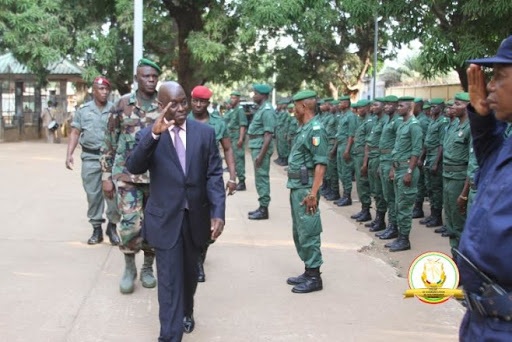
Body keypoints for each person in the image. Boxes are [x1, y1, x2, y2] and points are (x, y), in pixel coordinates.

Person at [126, 81, 226, 341]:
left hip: (196, 218)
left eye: (184, 101)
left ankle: (187, 311)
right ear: (161, 106)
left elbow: (214, 175)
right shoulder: (149, 135)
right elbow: (134, 166)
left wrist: (218, 212)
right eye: (175, 103)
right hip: (165, 219)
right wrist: (154, 135)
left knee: (190, 276)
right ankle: (169, 336)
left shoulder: (204, 134)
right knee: (169, 283)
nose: (182, 108)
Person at [456, 35, 512, 341]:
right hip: (484, 321)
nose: (490, 86)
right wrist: (481, 116)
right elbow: (489, 155)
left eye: (501, 77)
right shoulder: (505, 149)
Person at [100, 58, 161, 294]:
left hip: (157, 177)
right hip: (127, 177)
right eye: (146, 76)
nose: (151, 80)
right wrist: (106, 175)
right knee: (129, 224)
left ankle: (147, 267)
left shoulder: (164, 104)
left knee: (153, 224)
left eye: (154, 76)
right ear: (137, 78)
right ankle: (129, 268)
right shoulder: (123, 104)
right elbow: (109, 141)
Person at [188, 85, 236, 283]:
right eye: (195, 101)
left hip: (210, 178)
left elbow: (227, 149)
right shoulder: (183, 118)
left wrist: (232, 177)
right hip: (188, 178)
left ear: (208, 103)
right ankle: (193, 259)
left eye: (203, 101)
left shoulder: (218, 122)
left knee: (212, 222)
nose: (198, 105)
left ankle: (200, 258)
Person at [65, 76, 121, 245]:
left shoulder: (115, 109)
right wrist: (69, 154)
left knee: (113, 193)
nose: (104, 92)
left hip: (111, 158)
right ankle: (96, 229)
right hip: (90, 157)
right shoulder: (83, 110)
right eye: (100, 89)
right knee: (93, 194)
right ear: (93, 91)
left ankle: (112, 227)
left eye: (106, 89)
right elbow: (75, 132)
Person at [285, 90, 327, 294]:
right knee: (300, 230)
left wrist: (313, 194)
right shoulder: (304, 128)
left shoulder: (315, 129)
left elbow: (320, 164)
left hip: (306, 189)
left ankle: (314, 276)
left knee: (309, 230)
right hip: (297, 186)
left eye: (295, 105)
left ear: (304, 106)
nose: (293, 110)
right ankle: (308, 270)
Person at [385, 96, 423, 252]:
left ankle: (404, 239)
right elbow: (397, 148)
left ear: (409, 108)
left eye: (401, 106)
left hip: (407, 170)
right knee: (397, 204)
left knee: (404, 207)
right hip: (398, 168)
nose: (398, 108)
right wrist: (393, 168)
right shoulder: (402, 124)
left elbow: (416, 151)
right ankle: (400, 236)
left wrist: (409, 172)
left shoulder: (414, 126)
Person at [442, 92, 471, 249]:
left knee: (459, 221)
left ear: (468, 106)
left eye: (458, 104)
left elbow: (472, 163)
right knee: (450, 221)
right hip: (447, 175)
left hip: (459, 179)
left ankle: (463, 260)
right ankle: (455, 255)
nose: (453, 107)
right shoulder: (454, 126)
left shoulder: (470, 128)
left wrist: (464, 194)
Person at [247, 84, 276, 220]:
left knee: (262, 177)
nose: (254, 96)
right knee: (259, 178)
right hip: (256, 145)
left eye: (256, 93)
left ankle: (264, 209)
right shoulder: (261, 109)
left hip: (260, 148)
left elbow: (268, 135)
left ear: (263, 95)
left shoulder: (267, 110)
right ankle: (261, 206)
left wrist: (261, 155)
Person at [349, 99, 374, 222]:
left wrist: (365, 163)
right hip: (357, 155)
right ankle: (364, 209)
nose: (359, 110)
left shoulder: (369, 122)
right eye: (358, 108)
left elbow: (368, 145)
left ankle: (366, 211)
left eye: (362, 107)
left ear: (368, 108)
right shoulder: (360, 121)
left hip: (363, 157)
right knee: (359, 183)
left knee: (363, 183)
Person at [333, 95, 357, 207]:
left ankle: (347, 197)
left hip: (346, 146)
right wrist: (334, 149)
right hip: (340, 146)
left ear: (347, 104)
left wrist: (347, 150)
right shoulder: (342, 116)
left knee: (346, 172)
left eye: (341, 102)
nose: (339, 104)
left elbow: (352, 135)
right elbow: (339, 135)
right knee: (341, 172)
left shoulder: (351, 116)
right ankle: (344, 195)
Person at [224, 91, 249, 190]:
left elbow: (242, 125)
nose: (232, 100)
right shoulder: (233, 110)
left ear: (238, 99)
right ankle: (238, 179)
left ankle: (242, 182)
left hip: (236, 137)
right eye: (231, 98)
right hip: (231, 137)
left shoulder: (240, 110)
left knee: (239, 160)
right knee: (234, 159)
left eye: (234, 98)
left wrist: (241, 139)